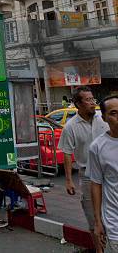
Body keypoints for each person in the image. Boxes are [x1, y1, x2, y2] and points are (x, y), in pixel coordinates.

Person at [58, 86, 108, 237]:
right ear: (78, 104)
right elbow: (67, 153)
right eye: (88, 100)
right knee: (93, 217)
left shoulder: (103, 118)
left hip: (110, 173)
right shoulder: (70, 127)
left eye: (93, 99)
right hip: (88, 176)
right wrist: (68, 180)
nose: (93, 102)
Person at [87, 95, 118, 253]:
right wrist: (98, 221)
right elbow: (96, 185)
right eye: (113, 113)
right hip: (114, 223)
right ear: (104, 118)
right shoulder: (98, 147)